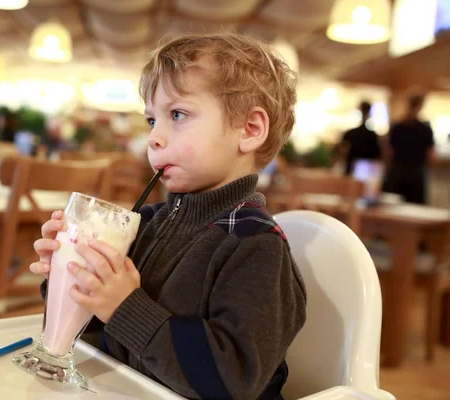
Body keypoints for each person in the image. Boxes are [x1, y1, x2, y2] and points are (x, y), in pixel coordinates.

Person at [30, 33, 307, 400]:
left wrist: (126, 307)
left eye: (177, 114)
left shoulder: (255, 246)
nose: (155, 138)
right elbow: (98, 336)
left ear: (250, 130)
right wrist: (72, 276)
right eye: (151, 120)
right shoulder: (144, 223)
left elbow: (232, 380)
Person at [383, 94, 435, 204]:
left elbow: (388, 152)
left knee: (394, 208)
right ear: (421, 106)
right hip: (415, 172)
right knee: (415, 210)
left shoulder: (397, 126)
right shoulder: (425, 128)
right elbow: (430, 155)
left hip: (397, 171)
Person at [339, 101, 382, 175]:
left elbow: (342, 150)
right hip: (361, 166)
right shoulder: (371, 134)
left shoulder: (352, 133)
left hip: (358, 166)